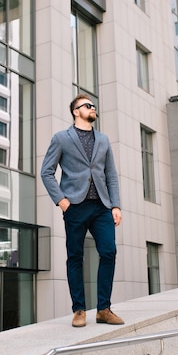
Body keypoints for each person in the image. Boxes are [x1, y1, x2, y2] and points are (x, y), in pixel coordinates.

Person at [41, 93, 124, 327]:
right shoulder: (61, 138)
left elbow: (111, 175)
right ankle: (79, 310)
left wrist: (116, 205)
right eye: (88, 106)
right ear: (76, 111)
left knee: (109, 252)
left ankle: (104, 309)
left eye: (94, 105)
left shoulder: (104, 140)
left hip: (102, 206)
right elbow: (46, 171)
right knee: (75, 257)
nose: (93, 108)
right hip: (75, 206)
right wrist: (61, 201)